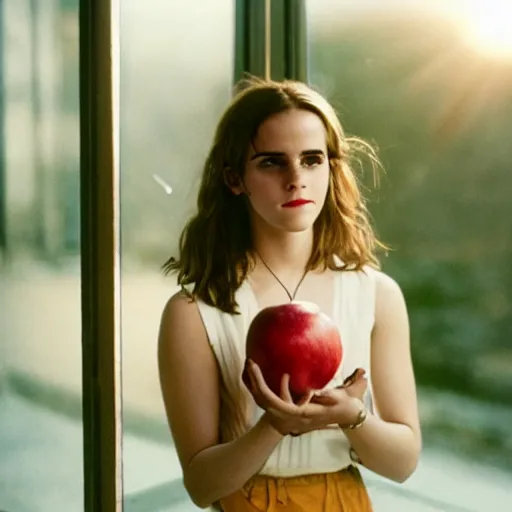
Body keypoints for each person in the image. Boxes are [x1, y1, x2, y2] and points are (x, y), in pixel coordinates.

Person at [157, 77, 421, 511]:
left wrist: (350, 417)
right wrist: (275, 425)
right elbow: (202, 487)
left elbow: (403, 462)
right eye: (271, 162)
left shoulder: (377, 295)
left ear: (331, 170)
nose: (296, 179)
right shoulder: (194, 312)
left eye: (312, 160)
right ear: (234, 178)